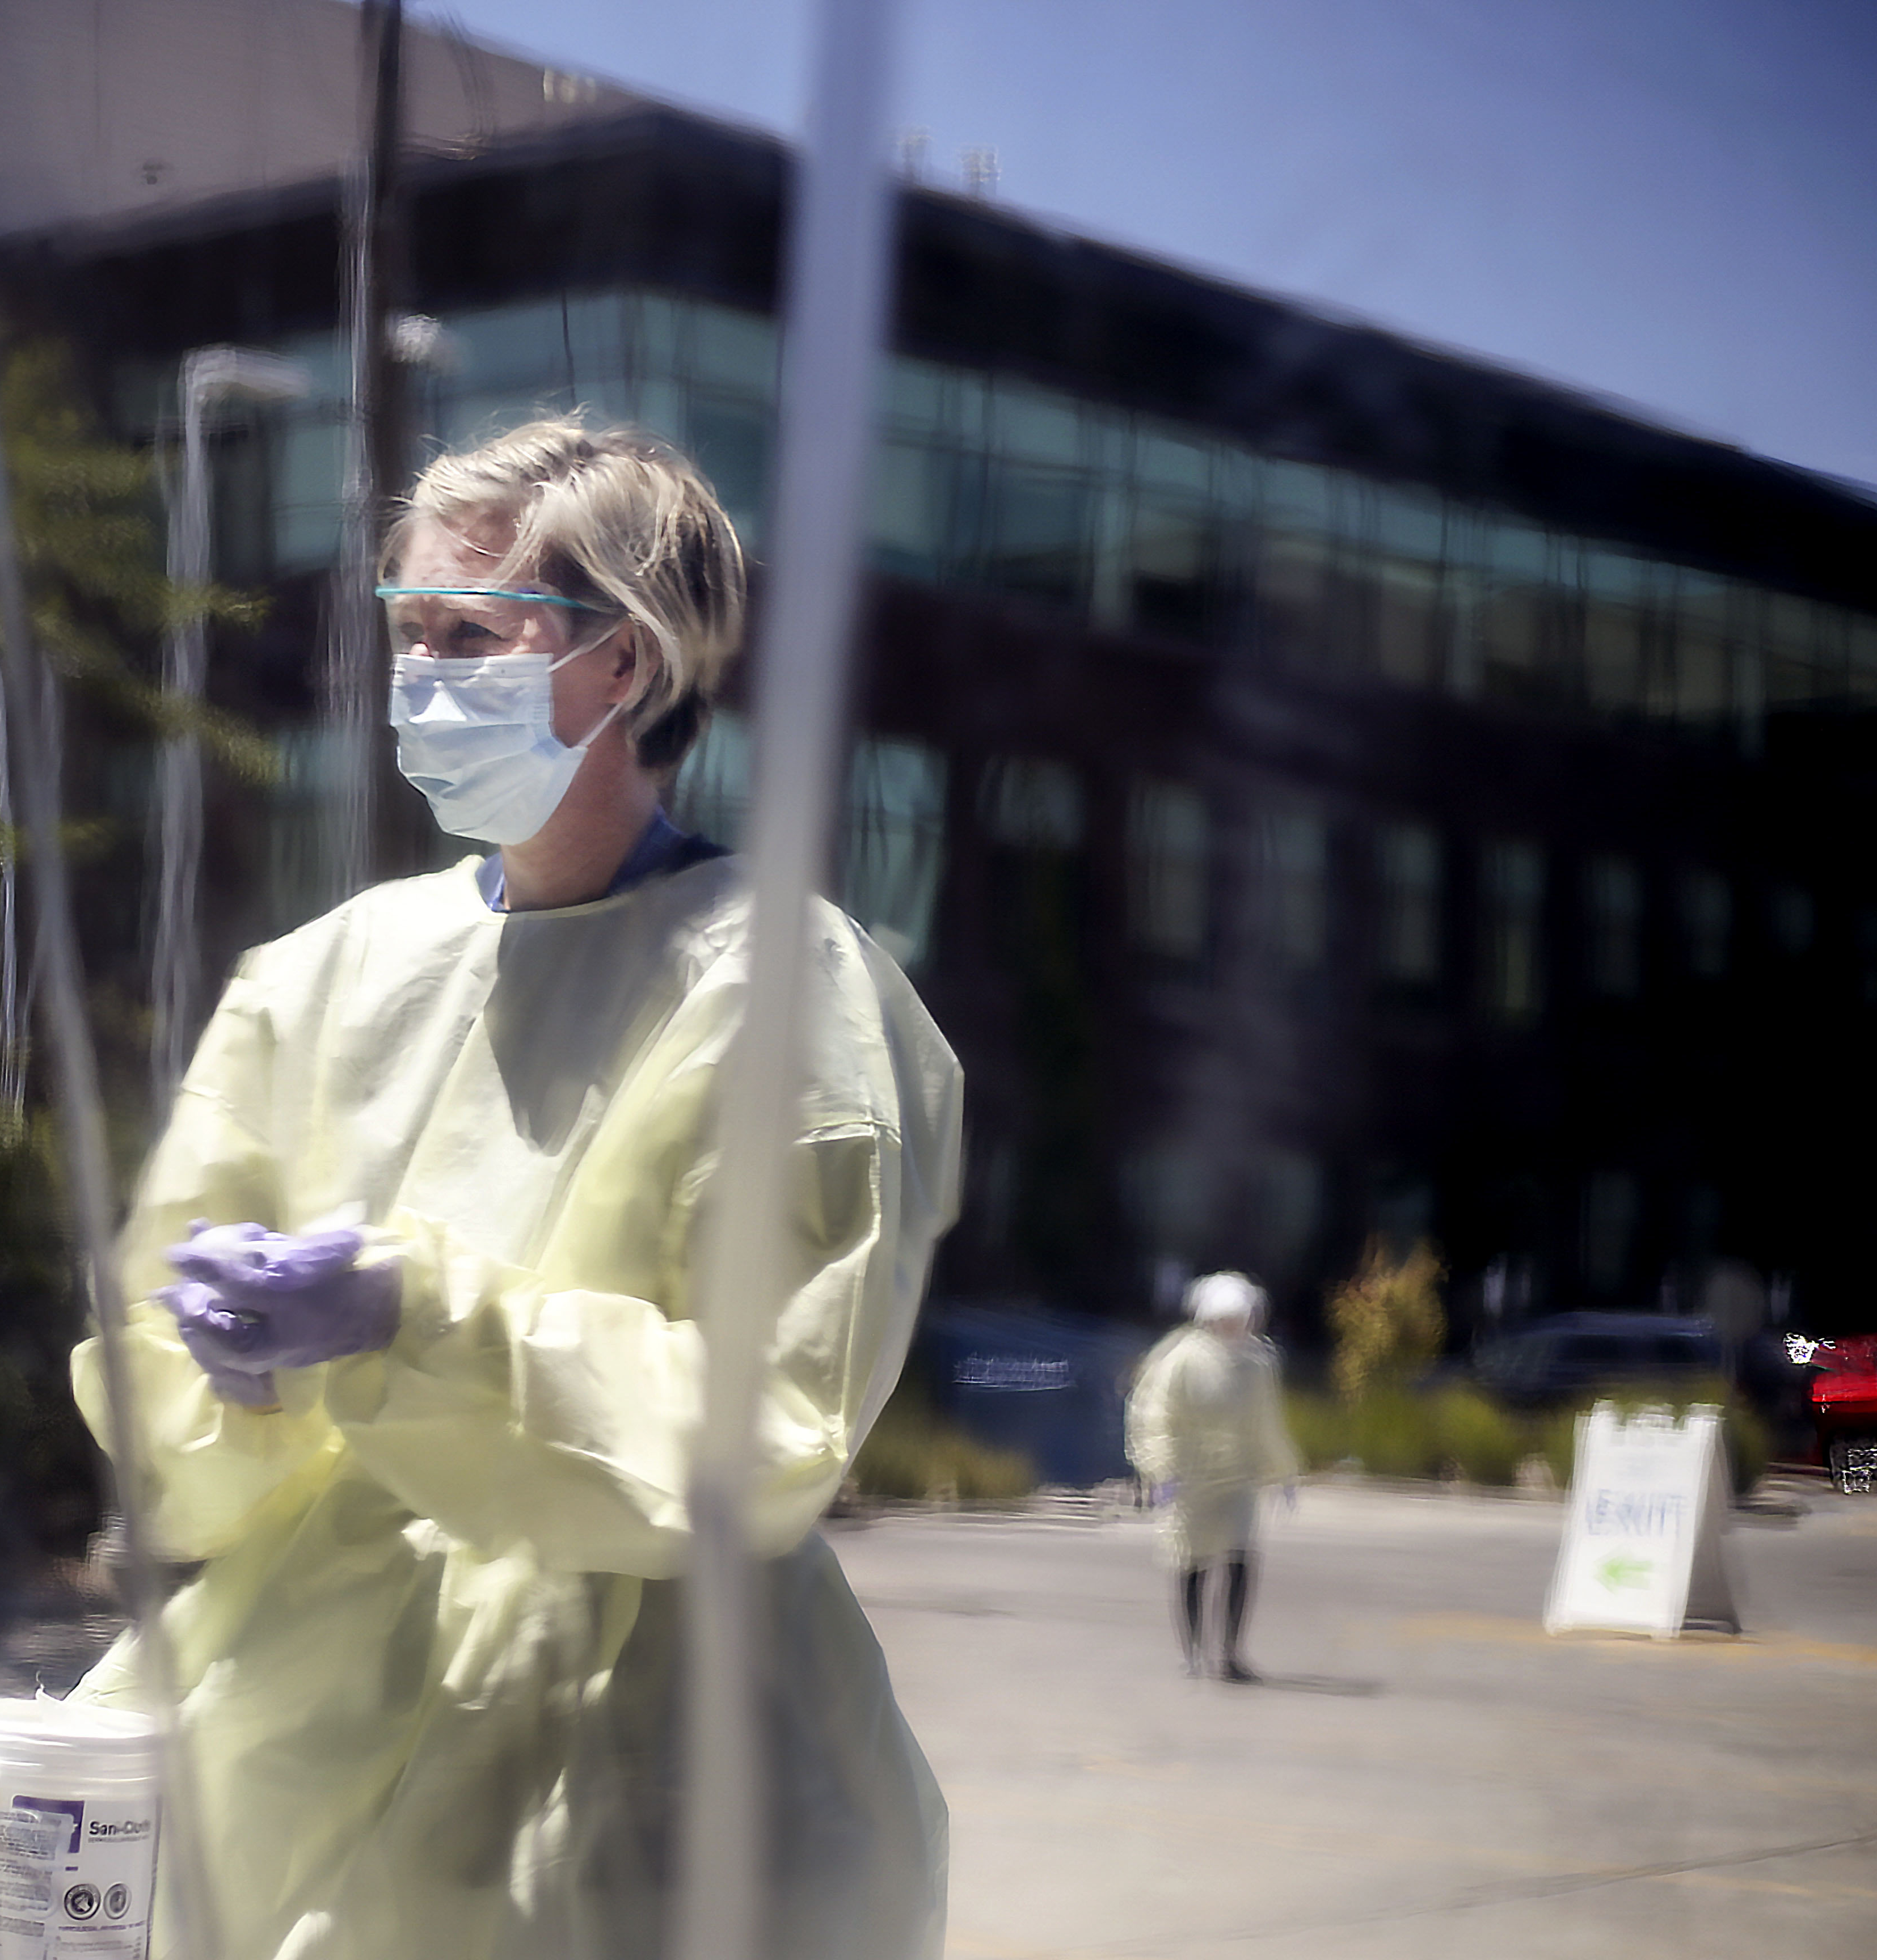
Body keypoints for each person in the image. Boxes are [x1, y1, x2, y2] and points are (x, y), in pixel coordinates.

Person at [69, 418, 964, 1960]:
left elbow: (768, 1428)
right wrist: (232, 1371)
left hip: (643, 1754)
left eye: (471, 636)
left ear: (626, 663)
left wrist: (413, 1319)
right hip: (306, 1713)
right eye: (409, 634)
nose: (423, 678)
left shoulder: (778, 985)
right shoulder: (323, 975)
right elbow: (175, 1426)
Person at [1123, 1271, 1302, 1683]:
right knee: (1193, 1561)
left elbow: (1267, 1423)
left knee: (1240, 1557)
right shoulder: (1181, 1360)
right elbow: (1154, 1417)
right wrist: (1161, 1469)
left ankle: (1231, 1654)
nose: (1235, 1327)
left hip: (1238, 1477)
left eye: (1241, 1319)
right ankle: (1194, 1652)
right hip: (1192, 1478)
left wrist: (1284, 1470)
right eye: (1227, 1319)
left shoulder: (1259, 1364)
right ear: (1208, 1318)